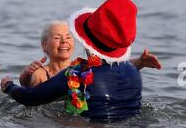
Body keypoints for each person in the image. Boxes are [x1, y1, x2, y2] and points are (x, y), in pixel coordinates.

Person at [1, 0, 159, 120]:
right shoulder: (133, 71)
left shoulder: (78, 75)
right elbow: (108, 71)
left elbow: (30, 98)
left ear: (86, 41)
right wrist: (139, 62)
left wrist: (9, 87)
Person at [19, 21, 161, 87]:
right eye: (57, 38)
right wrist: (27, 73)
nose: (64, 41)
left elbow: (111, 69)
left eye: (68, 37)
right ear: (44, 45)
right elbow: (26, 87)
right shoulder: (41, 73)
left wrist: (140, 62)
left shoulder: (82, 68)